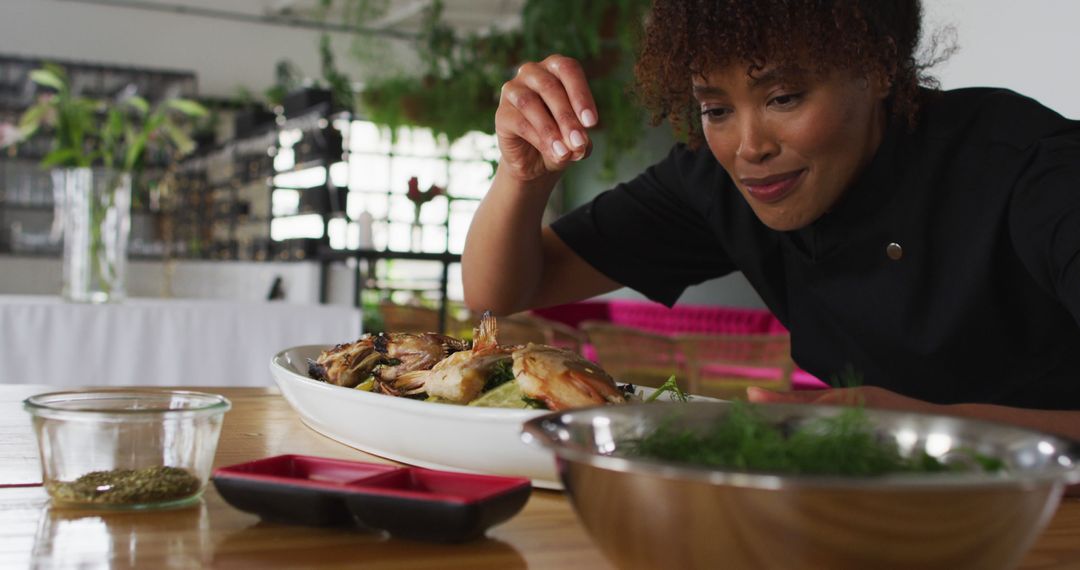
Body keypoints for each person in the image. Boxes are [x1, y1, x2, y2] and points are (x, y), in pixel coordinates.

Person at [462, 0, 1080, 440]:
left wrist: (913, 424)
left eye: (784, 97)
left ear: (879, 67)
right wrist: (523, 177)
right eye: (716, 108)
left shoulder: (1034, 170)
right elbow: (503, 291)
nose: (748, 146)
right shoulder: (719, 181)